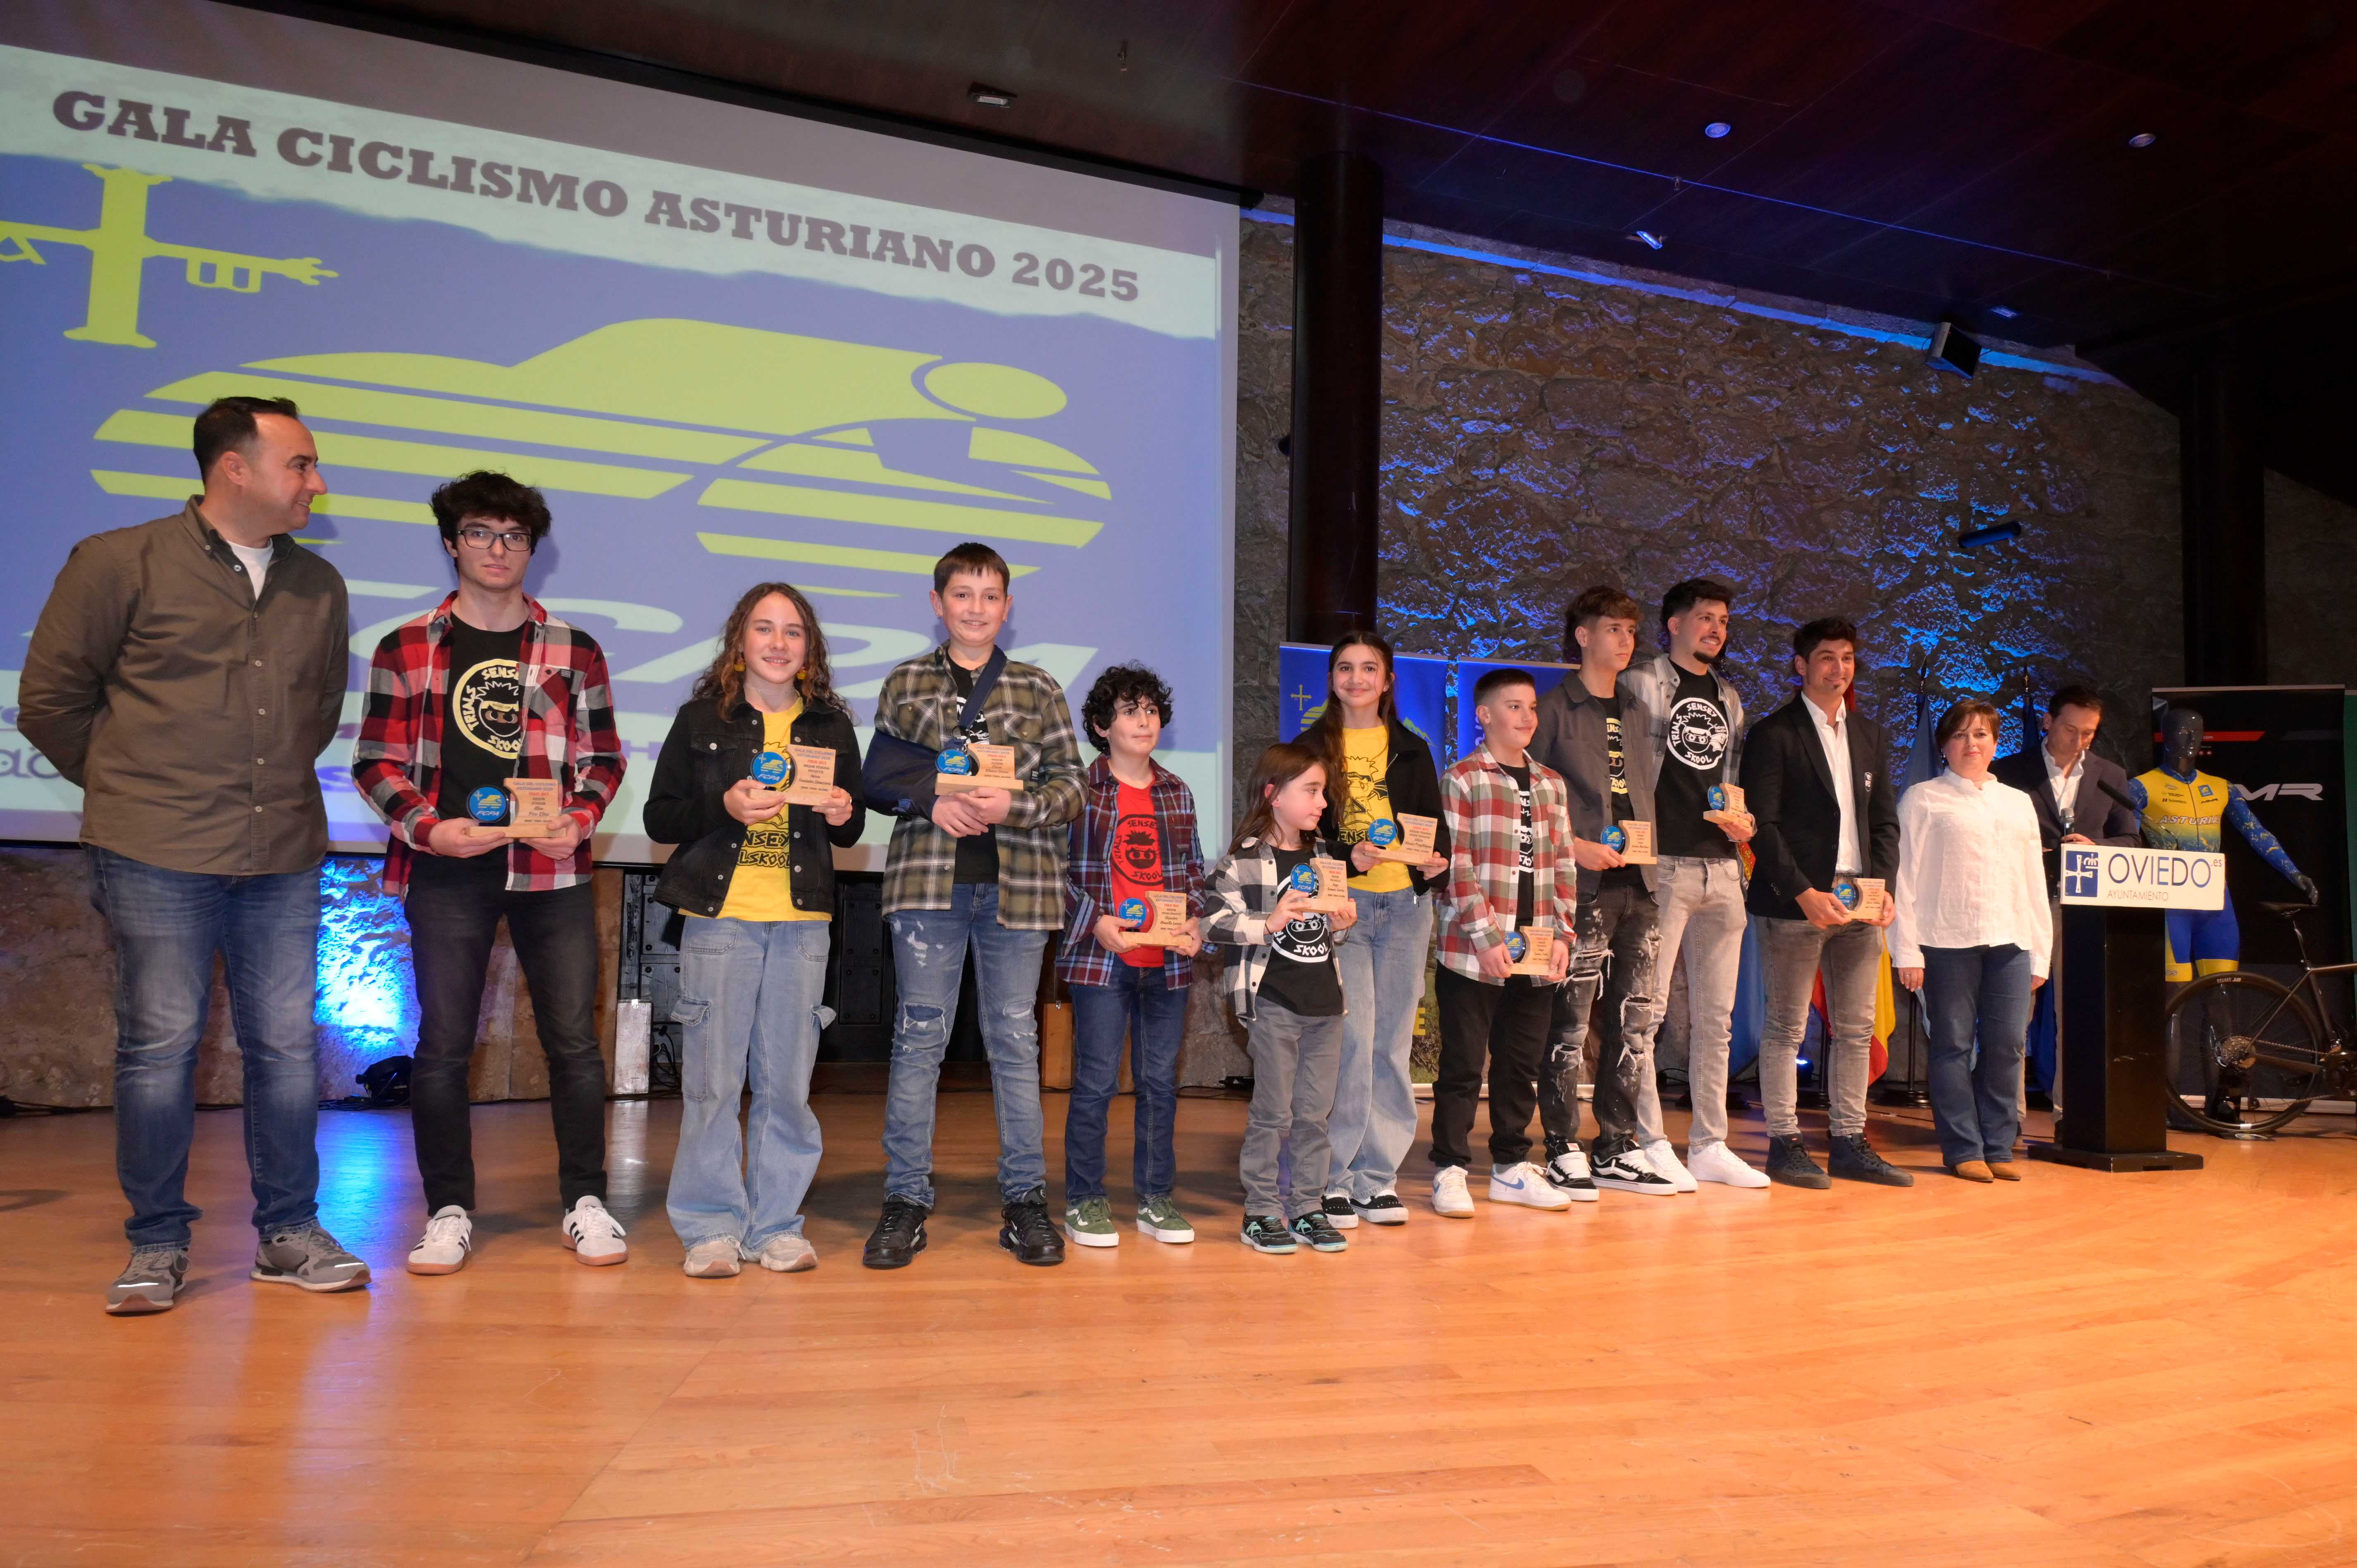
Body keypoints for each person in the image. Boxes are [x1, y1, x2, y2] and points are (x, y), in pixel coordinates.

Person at [22, 394, 367, 1314]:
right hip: (154, 848)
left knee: (289, 1047)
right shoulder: (116, 562)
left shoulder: (319, 587)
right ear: (234, 469)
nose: (316, 483)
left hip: (284, 848)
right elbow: (51, 702)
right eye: (300, 465)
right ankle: (157, 1242)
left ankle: (288, 1233)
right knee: (160, 1046)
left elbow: (318, 711)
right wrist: (137, 785)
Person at [352, 471, 629, 1273]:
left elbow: (605, 757)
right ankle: (447, 1210)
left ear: (532, 550)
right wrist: (431, 827)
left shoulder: (574, 648)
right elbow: (376, 762)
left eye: (512, 536)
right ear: (451, 542)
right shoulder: (406, 646)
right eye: (480, 532)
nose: (497, 549)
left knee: (574, 1043)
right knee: (441, 1047)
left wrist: (576, 820)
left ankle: (586, 1200)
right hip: (447, 867)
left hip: (553, 869)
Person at [859, 542, 1085, 1270]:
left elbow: (1073, 788)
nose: (975, 608)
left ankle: (1025, 1199)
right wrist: (933, 798)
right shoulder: (903, 681)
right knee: (919, 1036)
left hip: (1019, 892)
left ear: (1007, 607)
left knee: (1015, 1041)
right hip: (928, 883)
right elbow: (877, 777)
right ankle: (904, 1198)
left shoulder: (1039, 686)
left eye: (990, 597)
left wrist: (1012, 804)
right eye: (962, 595)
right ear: (937, 602)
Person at [643, 583, 864, 1277]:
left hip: (802, 923)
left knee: (787, 1085)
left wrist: (839, 811)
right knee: (712, 1082)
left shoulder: (830, 726)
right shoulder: (699, 718)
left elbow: (852, 827)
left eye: (793, 631)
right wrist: (725, 803)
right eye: (763, 628)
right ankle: (710, 1226)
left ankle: (775, 1224)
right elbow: (659, 817)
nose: (777, 642)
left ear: (809, 649)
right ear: (740, 641)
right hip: (721, 918)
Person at [1738, 617, 1911, 1189]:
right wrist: (1801, 891)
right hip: (1795, 901)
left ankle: (1848, 1141)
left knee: (1856, 1029)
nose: (1838, 669)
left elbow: (1884, 820)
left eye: (1847, 658)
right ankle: (1784, 1142)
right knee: (1785, 1028)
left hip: (1859, 900)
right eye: (1826, 658)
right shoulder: (1774, 733)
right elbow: (1760, 824)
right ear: (1801, 666)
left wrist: (1880, 886)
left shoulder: (1869, 735)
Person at [1619, 578, 1768, 1187]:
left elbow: (1729, 783)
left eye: (1723, 621)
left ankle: (1709, 1142)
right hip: (1664, 864)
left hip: (1722, 868)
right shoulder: (1640, 682)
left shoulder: (1730, 697)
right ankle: (1647, 1138)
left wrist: (1744, 823)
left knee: (1717, 1017)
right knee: (1646, 1011)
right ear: (1673, 624)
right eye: (1705, 618)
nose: (1715, 629)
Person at [1532, 586, 1679, 1198]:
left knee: (1634, 1023)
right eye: (1612, 629)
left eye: (1629, 631)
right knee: (1567, 1021)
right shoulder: (1552, 710)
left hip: (1638, 884)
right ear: (1582, 635)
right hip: (1580, 883)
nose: (1623, 641)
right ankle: (1562, 1142)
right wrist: (1572, 844)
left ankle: (1615, 1143)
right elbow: (1532, 799)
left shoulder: (1639, 711)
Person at [1300, 632, 1450, 1229]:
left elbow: (1431, 832)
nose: (1356, 678)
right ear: (1332, 677)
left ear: (1387, 680)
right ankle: (1332, 1178)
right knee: (1352, 1041)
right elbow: (1298, 836)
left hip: (1406, 909)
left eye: (1369, 668)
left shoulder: (1412, 748)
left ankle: (1377, 1178)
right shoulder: (1310, 747)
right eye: (1345, 667)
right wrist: (1346, 854)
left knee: (1391, 1044)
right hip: (1345, 912)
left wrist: (1436, 859)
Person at [1056, 663, 1207, 1249]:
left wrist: (1195, 919)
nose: (1142, 720)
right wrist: (1094, 920)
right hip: (1103, 959)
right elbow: (1055, 872)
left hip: (1166, 962)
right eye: (1127, 710)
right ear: (1100, 724)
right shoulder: (1079, 789)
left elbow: (1193, 869)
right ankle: (1086, 1198)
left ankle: (1155, 1197)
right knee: (1094, 1084)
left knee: (1159, 1084)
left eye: (1150, 709)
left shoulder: (1177, 791)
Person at [1200, 741, 1359, 1253]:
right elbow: (1210, 924)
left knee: (1315, 1113)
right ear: (1273, 794)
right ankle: (1262, 1209)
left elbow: (1322, 935)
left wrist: (1340, 925)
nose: (1321, 803)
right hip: (1272, 1003)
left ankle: (1308, 1207)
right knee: (1273, 1111)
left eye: (1323, 793)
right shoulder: (1240, 864)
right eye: (1310, 791)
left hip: (1324, 1003)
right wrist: (1266, 922)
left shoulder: (1324, 857)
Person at [1430, 669, 1577, 1218]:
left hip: (1535, 950)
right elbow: (1457, 867)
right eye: (1512, 706)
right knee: (1464, 1065)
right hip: (1472, 951)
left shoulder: (1550, 784)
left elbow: (1564, 865)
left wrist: (1562, 935)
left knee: (1521, 1063)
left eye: (1531, 707)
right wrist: (1486, 936)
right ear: (1484, 715)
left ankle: (1511, 1165)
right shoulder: (1462, 780)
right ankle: (1449, 1166)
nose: (1526, 717)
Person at [1890, 701, 2051, 1181]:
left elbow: (2032, 881)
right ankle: (1963, 1147)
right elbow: (1905, 878)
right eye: (1959, 735)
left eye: (1980, 734)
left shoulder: (2017, 802)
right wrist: (1907, 948)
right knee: (1952, 1045)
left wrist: (2040, 951)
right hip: (1945, 940)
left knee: (2006, 1045)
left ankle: (1998, 1143)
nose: (1970, 744)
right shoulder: (1921, 798)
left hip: (2011, 940)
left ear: (1995, 743)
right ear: (1943, 745)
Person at [1989, 684, 2139, 1106]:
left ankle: (2069, 1114)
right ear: (2047, 721)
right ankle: (2006, 1117)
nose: (2078, 741)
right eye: (2070, 729)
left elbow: (2130, 837)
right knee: (2014, 1014)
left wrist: (2098, 848)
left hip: (2082, 907)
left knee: (2076, 1013)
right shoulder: (2008, 771)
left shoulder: (2110, 776)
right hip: (2019, 902)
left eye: (2088, 733)